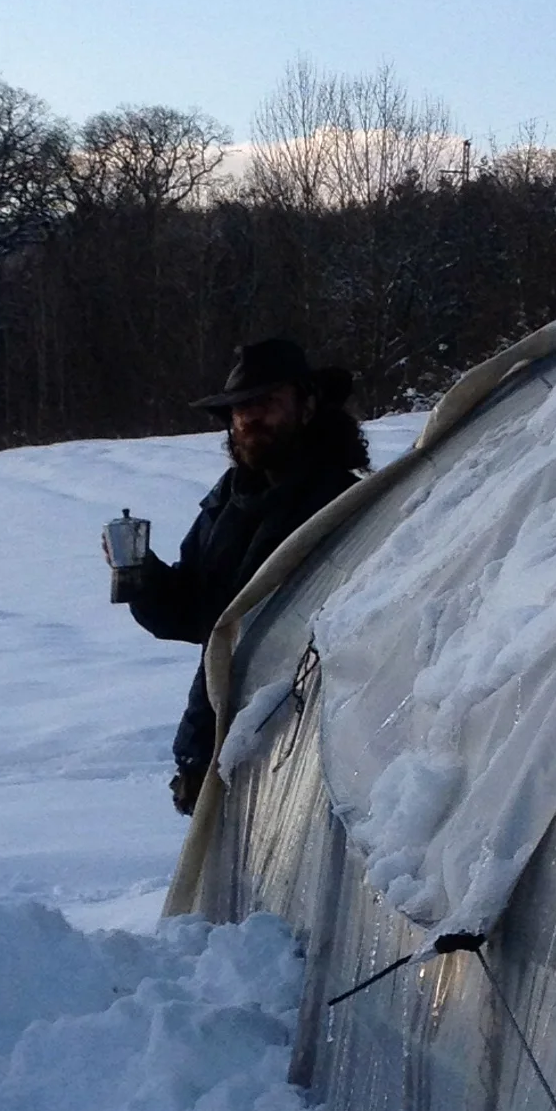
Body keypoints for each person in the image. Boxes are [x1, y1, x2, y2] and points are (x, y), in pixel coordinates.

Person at [116, 337, 370, 811]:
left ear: (307, 406)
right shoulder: (228, 503)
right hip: (223, 744)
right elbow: (200, 618)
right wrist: (142, 575)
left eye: (267, 403)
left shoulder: (345, 504)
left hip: (311, 749)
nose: (250, 418)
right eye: (240, 408)